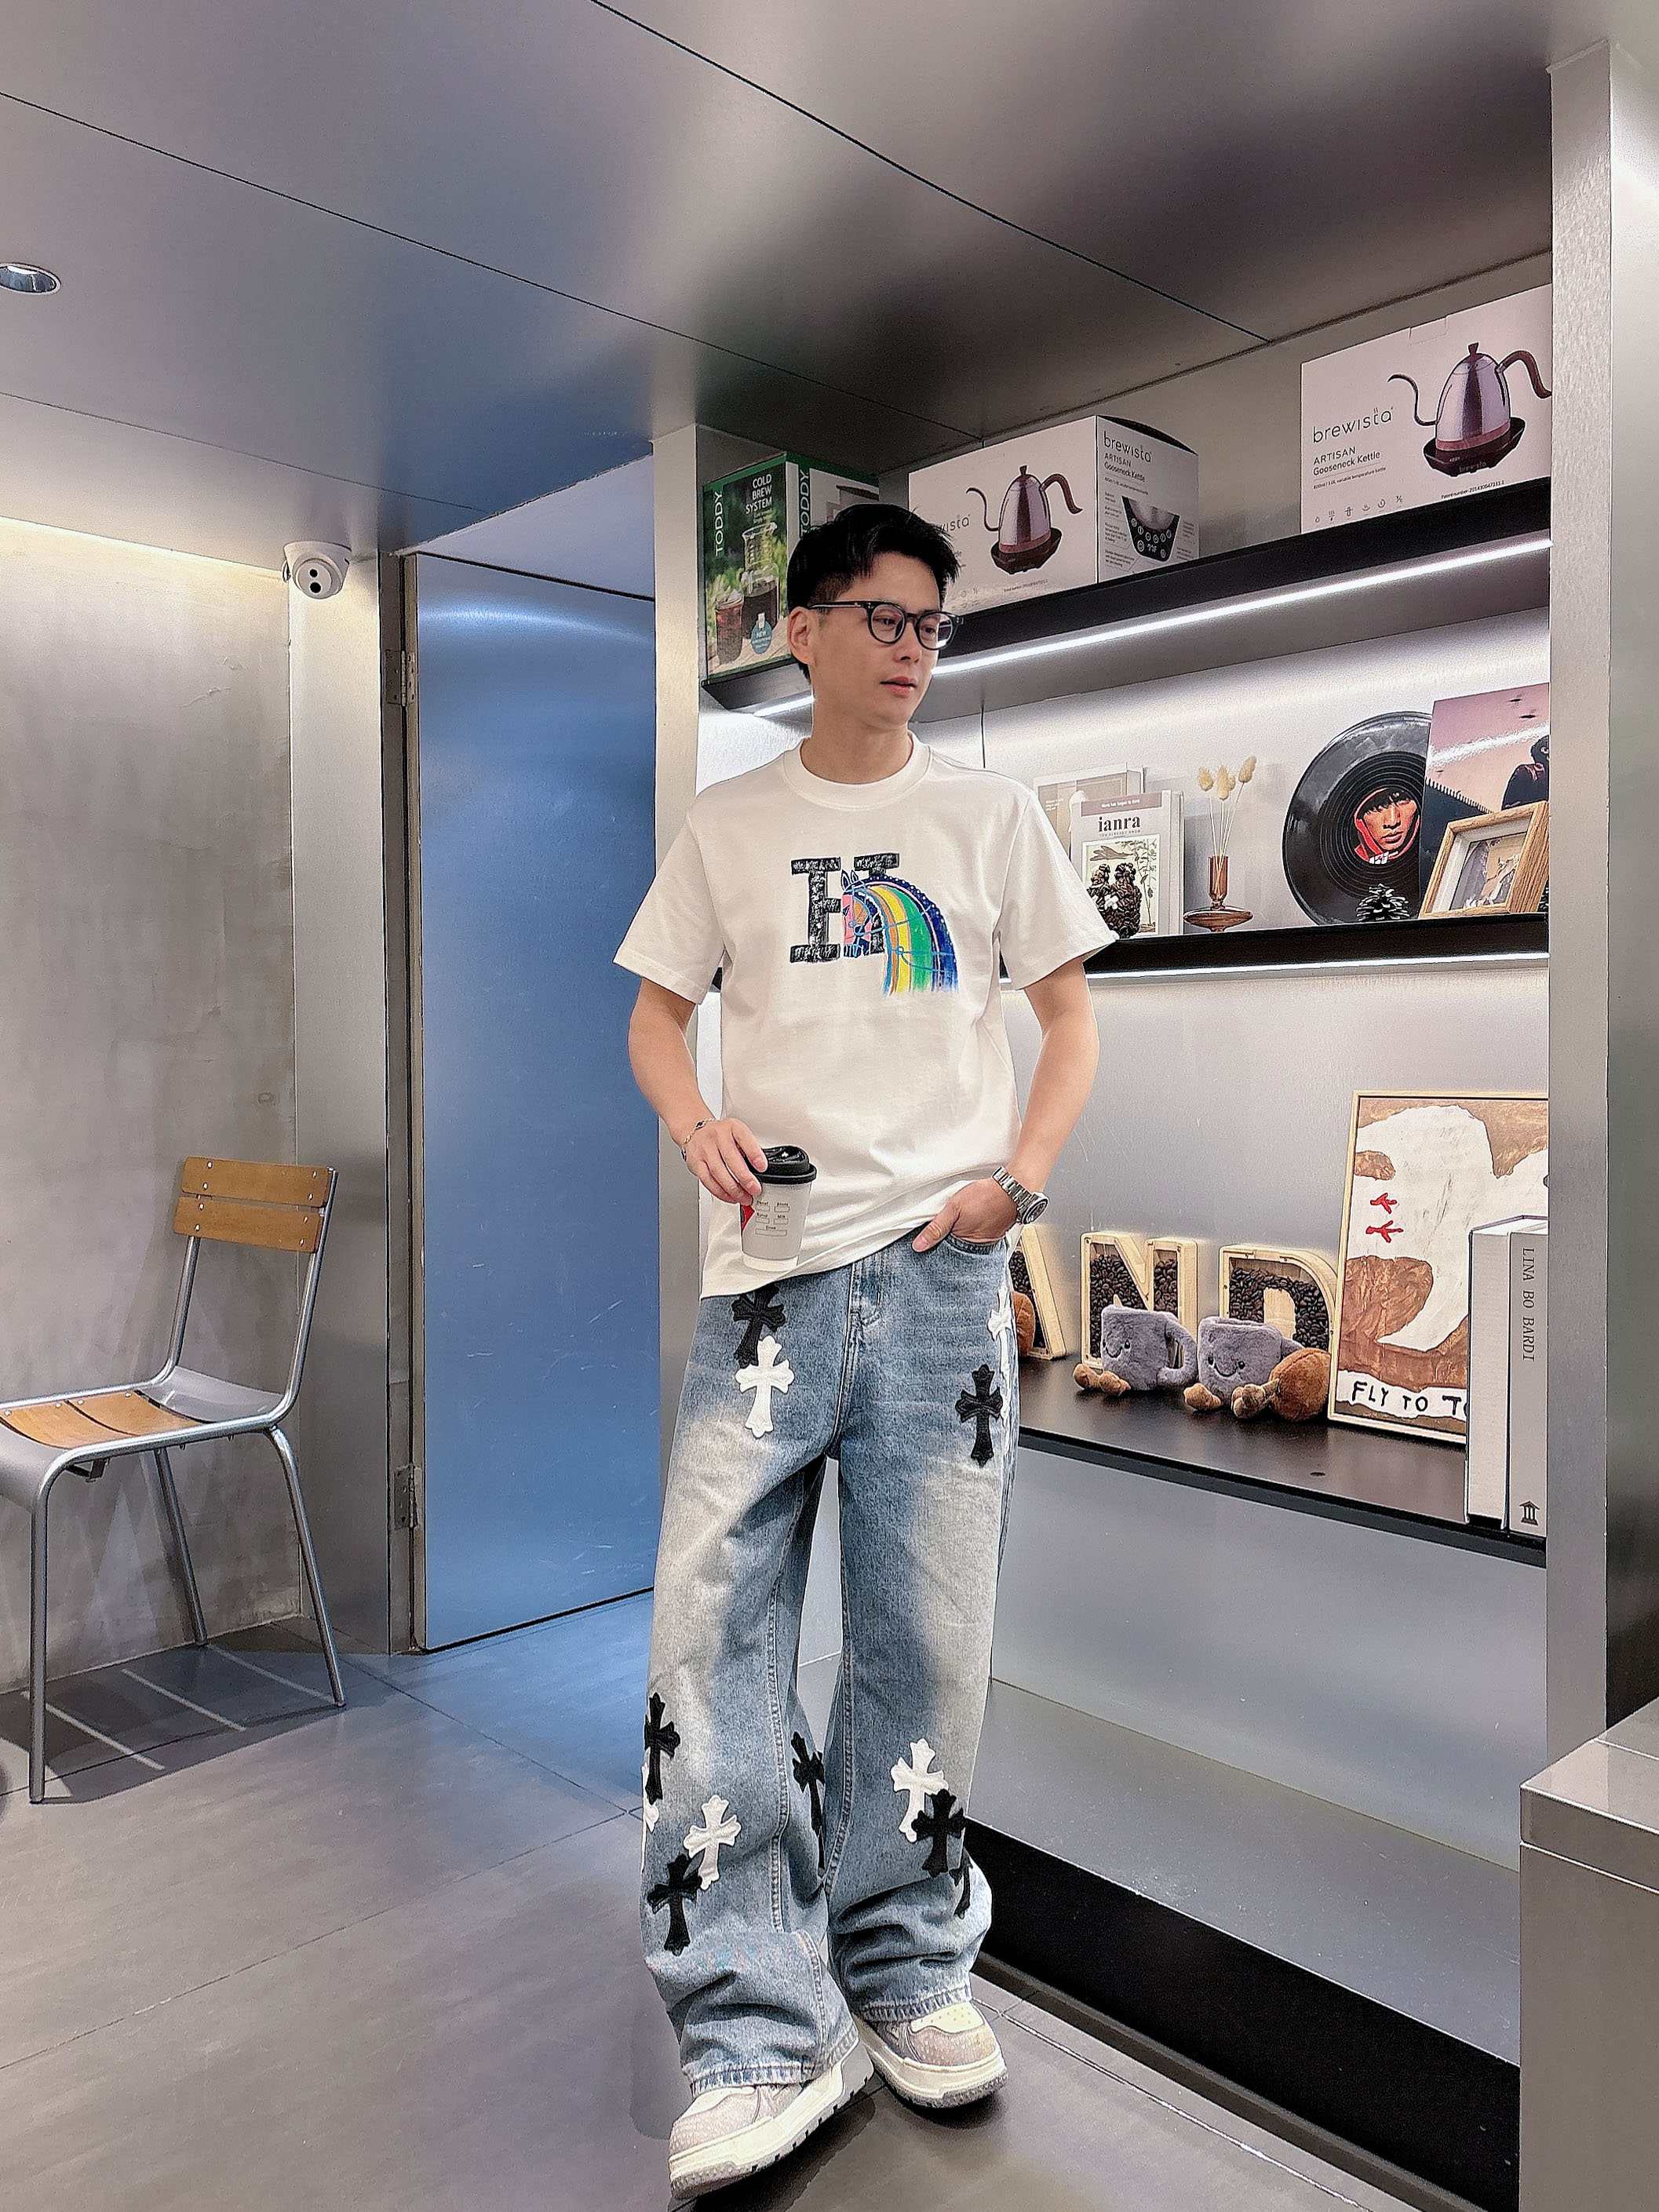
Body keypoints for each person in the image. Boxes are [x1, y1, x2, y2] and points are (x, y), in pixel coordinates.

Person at [612, 503, 1114, 2199]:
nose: (910, 648)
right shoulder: (731, 825)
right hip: (766, 1282)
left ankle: (904, 1965)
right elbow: (655, 1014)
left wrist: (1017, 1185)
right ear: (805, 631)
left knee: (927, 1641)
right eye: (881, 617)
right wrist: (691, 1118)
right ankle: (751, 2026)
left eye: (931, 624)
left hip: (941, 1284)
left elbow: (1070, 1020)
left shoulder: (988, 816)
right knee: (708, 1638)